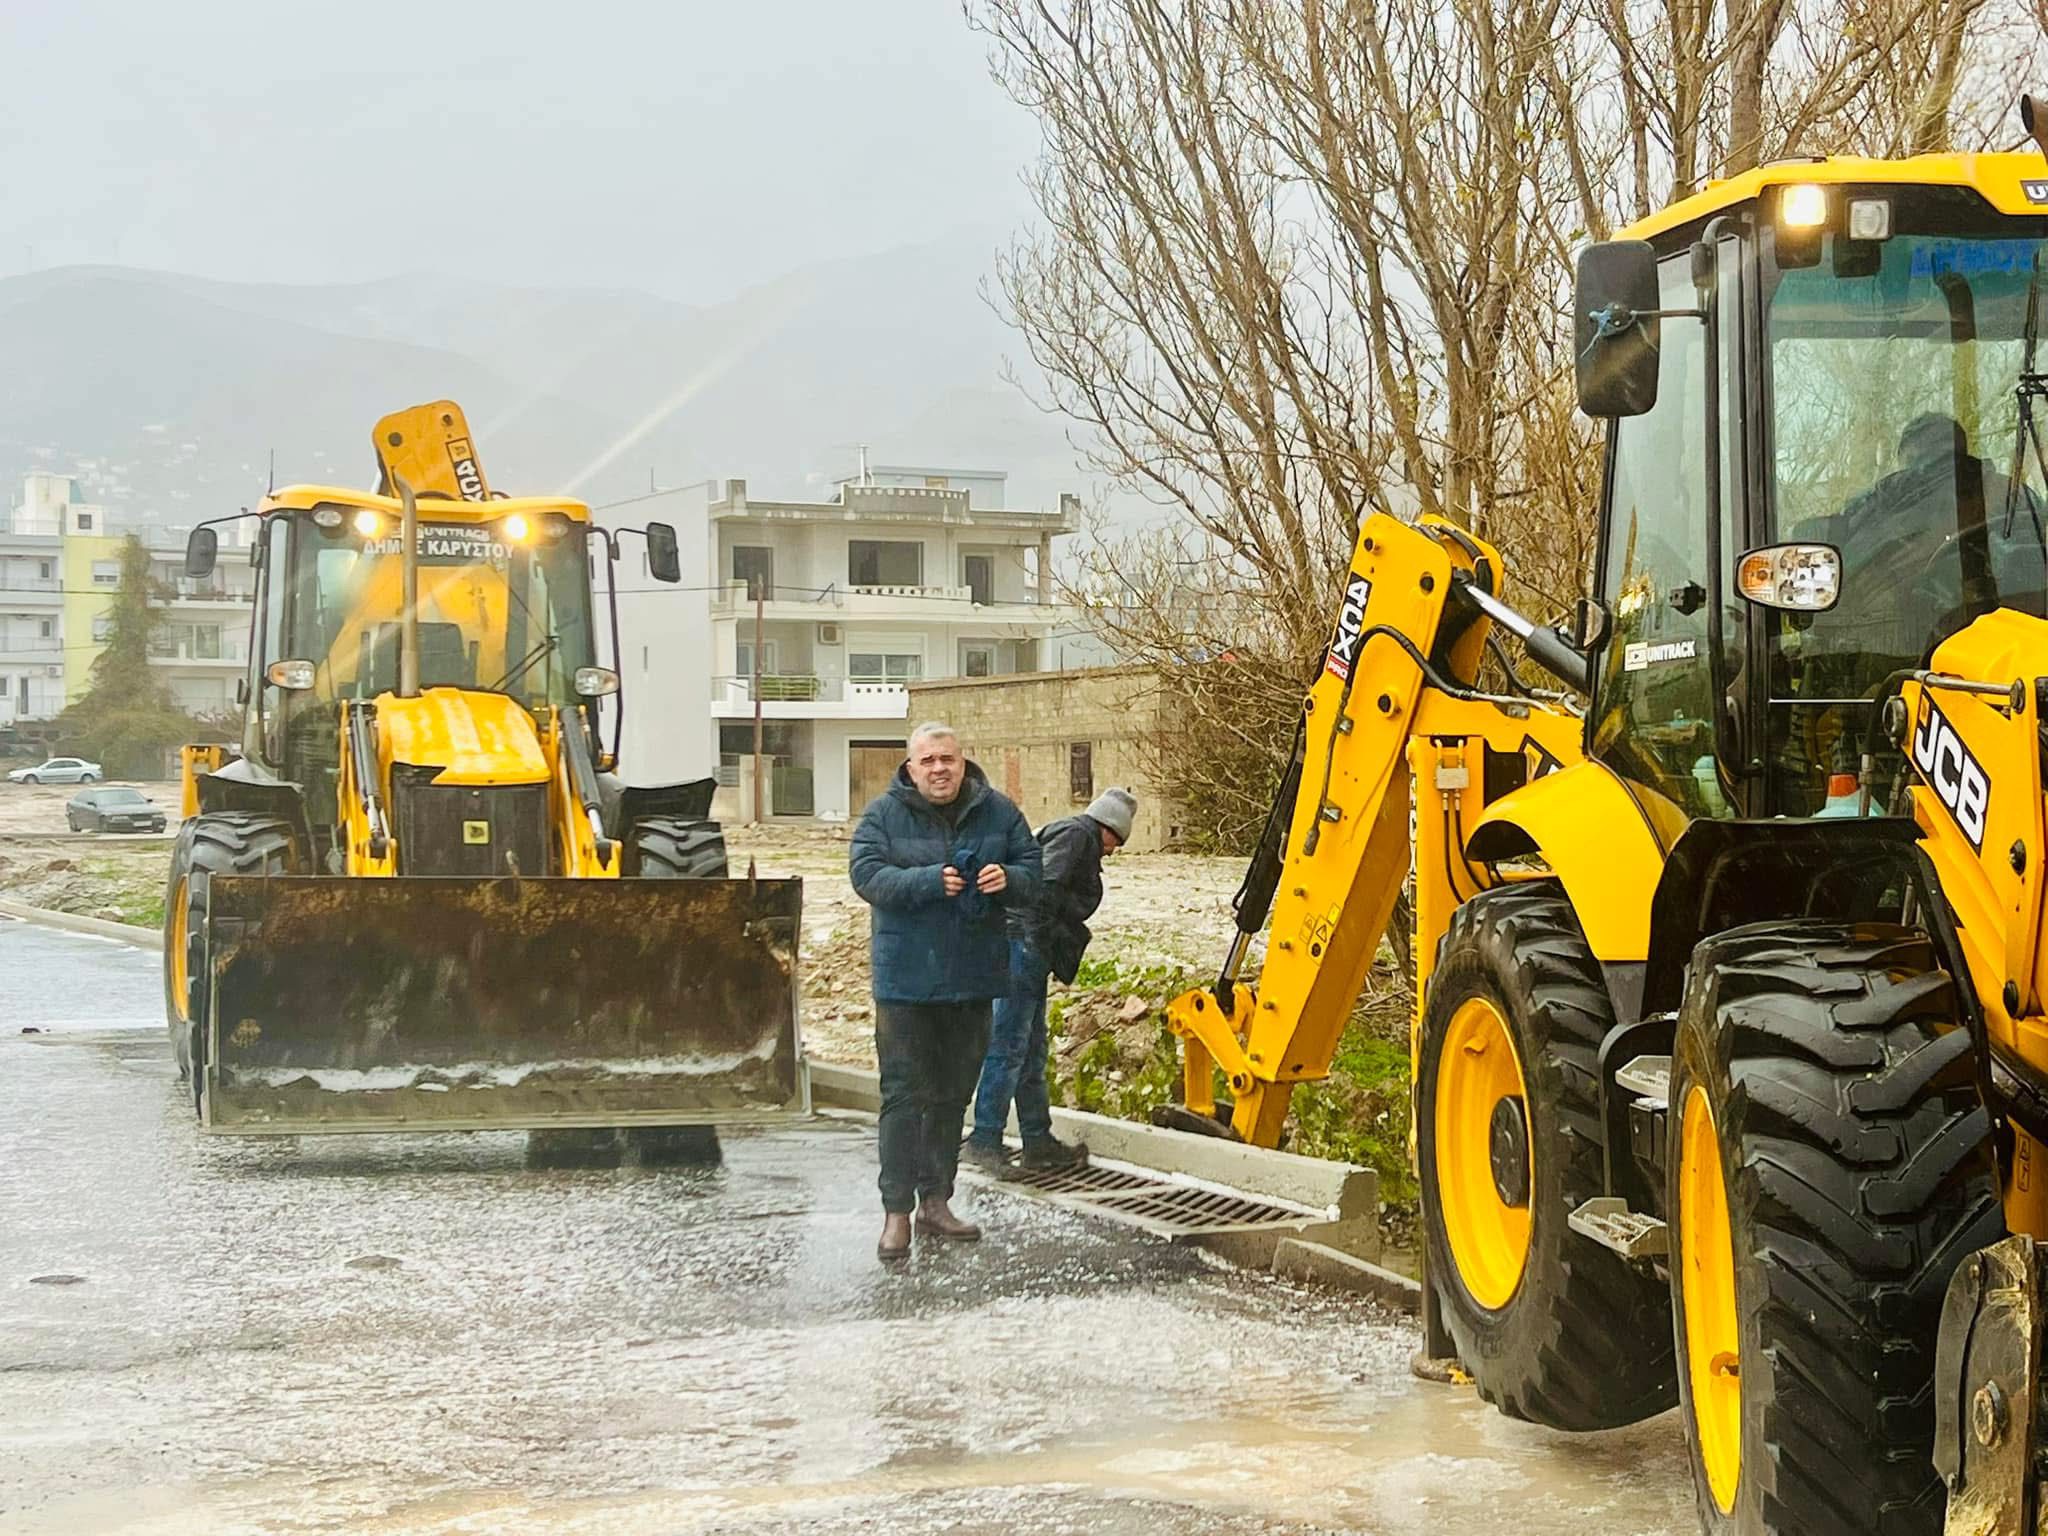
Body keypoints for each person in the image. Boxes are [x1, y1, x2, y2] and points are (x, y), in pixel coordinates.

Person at [849, 721, 1040, 1263]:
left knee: (953, 1095)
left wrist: (1012, 880)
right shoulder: (882, 815)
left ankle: (937, 1201)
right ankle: (895, 1214)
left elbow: (1033, 867)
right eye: (928, 761)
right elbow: (866, 875)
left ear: (962, 763)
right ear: (911, 767)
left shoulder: (998, 811)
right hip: (906, 983)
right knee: (904, 1097)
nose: (939, 769)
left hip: (972, 978)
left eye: (948, 760)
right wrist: (930, 881)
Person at [964, 787, 1136, 1176]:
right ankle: (984, 1139)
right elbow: (1043, 890)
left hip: (1025, 945)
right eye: (1117, 841)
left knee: (1030, 1048)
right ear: (1109, 827)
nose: (1114, 850)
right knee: (1009, 1045)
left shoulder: (1076, 837)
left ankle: (1036, 1140)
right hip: (1021, 945)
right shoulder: (1077, 836)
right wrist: (1038, 943)